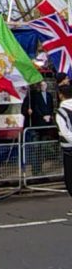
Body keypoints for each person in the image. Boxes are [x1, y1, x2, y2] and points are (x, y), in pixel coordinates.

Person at [22, 81, 55, 176]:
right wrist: (27, 111)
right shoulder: (29, 98)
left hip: (44, 126)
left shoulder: (47, 95)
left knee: (41, 149)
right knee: (35, 149)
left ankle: (39, 170)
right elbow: (25, 110)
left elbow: (49, 107)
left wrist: (49, 116)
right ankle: (36, 171)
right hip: (34, 127)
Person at [56, 84, 72, 214]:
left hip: (69, 149)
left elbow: (65, 132)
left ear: (61, 95)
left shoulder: (61, 112)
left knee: (70, 179)